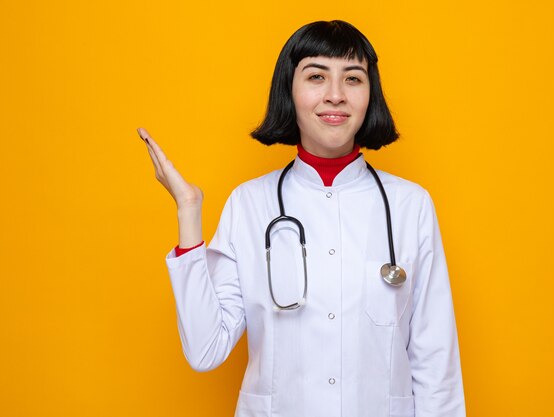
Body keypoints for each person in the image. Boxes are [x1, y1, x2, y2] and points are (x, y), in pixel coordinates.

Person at [138, 20, 465, 417]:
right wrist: (188, 212)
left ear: (370, 94)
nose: (335, 95)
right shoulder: (249, 204)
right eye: (316, 76)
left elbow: (436, 362)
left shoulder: (410, 206)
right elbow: (206, 350)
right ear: (289, 91)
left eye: (353, 79)